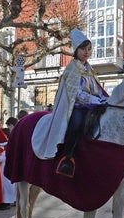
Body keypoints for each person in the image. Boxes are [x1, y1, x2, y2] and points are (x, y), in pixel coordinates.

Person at [32, 28, 108, 178]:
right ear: (76, 50)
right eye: (83, 49)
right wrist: (95, 100)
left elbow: (97, 88)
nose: (86, 52)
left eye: (89, 49)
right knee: (77, 123)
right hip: (78, 106)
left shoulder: (89, 69)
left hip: (94, 105)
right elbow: (77, 94)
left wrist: (104, 99)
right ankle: (67, 158)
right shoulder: (72, 69)